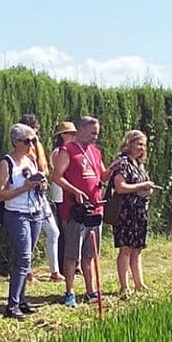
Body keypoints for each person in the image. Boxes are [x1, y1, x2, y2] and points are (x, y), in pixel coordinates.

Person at [0, 124, 50, 318]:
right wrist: (24, 188)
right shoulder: (6, 163)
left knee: (27, 258)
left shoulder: (31, 160)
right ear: (15, 141)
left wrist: (40, 184)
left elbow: (35, 184)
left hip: (35, 212)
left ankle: (21, 299)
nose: (31, 144)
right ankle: (12, 305)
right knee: (24, 257)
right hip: (17, 214)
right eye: (27, 141)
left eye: (34, 140)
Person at [52, 115, 107, 308]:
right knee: (72, 254)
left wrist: (116, 167)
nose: (95, 137)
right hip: (76, 210)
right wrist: (75, 190)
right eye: (92, 133)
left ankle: (91, 291)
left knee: (90, 253)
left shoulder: (95, 152)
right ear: (81, 130)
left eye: (97, 134)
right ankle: (69, 292)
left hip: (95, 207)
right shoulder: (67, 150)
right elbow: (56, 177)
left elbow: (102, 174)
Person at [108, 130, 158, 295]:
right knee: (126, 249)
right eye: (139, 144)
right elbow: (120, 187)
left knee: (137, 249)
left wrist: (147, 189)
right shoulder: (122, 163)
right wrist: (141, 187)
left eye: (144, 145)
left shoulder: (139, 165)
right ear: (129, 144)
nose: (142, 148)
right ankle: (124, 287)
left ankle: (139, 284)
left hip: (140, 210)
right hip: (126, 211)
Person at [21, 114, 64, 282]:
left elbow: (44, 169)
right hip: (27, 196)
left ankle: (54, 272)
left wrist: (41, 177)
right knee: (29, 236)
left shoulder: (37, 146)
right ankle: (27, 272)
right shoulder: (21, 152)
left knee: (53, 231)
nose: (34, 138)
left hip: (41, 195)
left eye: (36, 133)